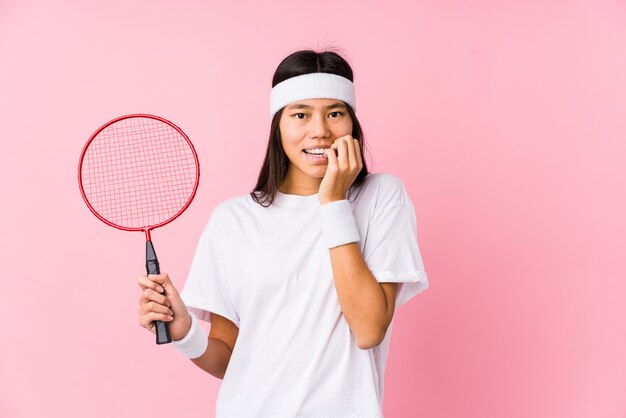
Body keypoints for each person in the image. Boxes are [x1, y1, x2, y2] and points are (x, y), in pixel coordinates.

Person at [137, 48, 429, 417]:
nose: (320, 130)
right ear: (278, 124)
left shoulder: (381, 197)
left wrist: (334, 201)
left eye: (335, 113)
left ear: (352, 124)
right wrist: (185, 333)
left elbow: (369, 329)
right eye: (300, 114)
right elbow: (230, 357)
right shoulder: (233, 220)